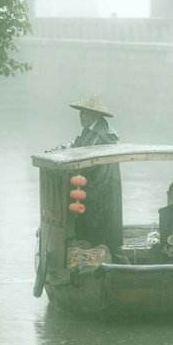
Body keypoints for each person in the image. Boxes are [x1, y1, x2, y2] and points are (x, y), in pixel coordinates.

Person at [68, 95, 123, 256]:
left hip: (101, 184)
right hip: (95, 184)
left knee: (99, 225)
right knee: (95, 225)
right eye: (81, 113)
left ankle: (100, 258)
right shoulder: (90, 130)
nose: (81, 117)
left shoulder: (100, 133)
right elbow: (77, 146)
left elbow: (86, 158)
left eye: (85, 114)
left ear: (95, 115)